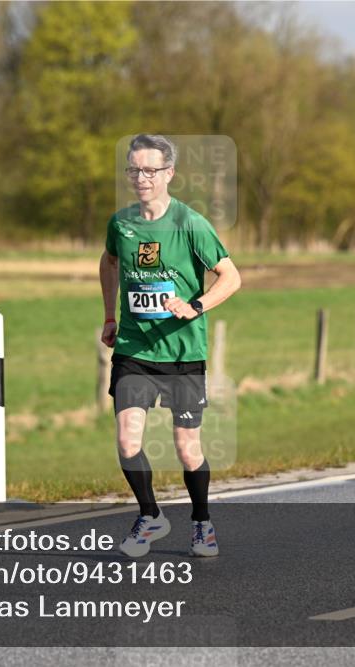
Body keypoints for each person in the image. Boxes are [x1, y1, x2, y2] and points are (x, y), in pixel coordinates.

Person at [99, 134, 241, 558]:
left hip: (181, 354)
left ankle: (202, 522)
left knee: (186, 447)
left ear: (169, 173)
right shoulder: (121, 223)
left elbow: (231, 278)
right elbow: (108, 263)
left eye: (150, 170)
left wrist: (194, 306)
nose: (141, 178)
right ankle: (151, 515)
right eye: (134, 170)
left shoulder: (190, 223)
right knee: (127, 440)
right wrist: (110, 316)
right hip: (134, 348)